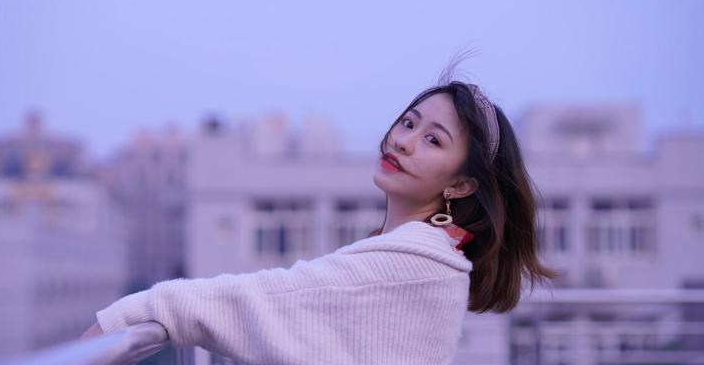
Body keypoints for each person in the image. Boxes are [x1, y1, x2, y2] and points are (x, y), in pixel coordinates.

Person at [82, 64, 557, 364]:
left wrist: (136, 311)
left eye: (433, 140)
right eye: (409, 122)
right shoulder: (427, 253)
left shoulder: (416, 262)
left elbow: (262, 298)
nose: (404, 141)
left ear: (461, 185)